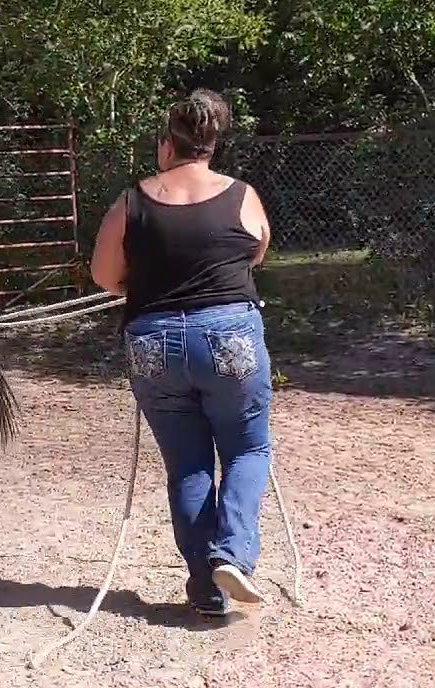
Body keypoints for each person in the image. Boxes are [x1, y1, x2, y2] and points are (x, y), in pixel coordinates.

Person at [89, 88, 273, 617]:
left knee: (188, 466)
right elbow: (255, 250)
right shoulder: (242, 195)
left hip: (154, 340)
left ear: (168, 143)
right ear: (213, 143)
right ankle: (233, 556)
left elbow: (105, 276)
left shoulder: (133, 201)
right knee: (246, 450)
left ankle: (206, 589)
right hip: (230, 336)